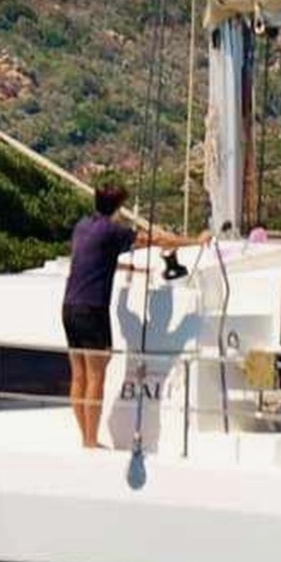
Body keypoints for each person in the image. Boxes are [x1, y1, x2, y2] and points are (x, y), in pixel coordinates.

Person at [63, 183, 201, 450]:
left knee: (78, 375)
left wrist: (124, 268)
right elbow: (159, 241)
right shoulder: (113, 230)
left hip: (69, 305)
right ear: (118, 207)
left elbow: (92, 258)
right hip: (92, 309)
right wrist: (196, 240)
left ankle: (85, 437)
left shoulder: (83, 226)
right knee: (95, 376)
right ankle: (91, 440)